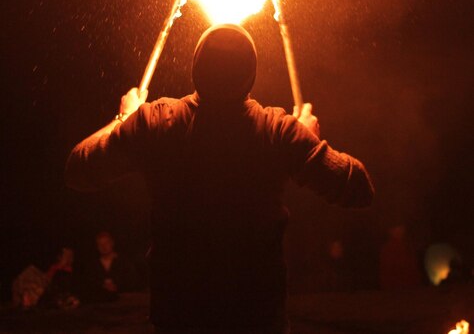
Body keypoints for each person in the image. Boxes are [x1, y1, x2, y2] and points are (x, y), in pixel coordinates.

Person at [66, 24, 374, 334]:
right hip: (256, 320)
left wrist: (123, 120)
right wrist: (308, 140)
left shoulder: (156, 122)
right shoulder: (277, 131)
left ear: (196, 67)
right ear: (250, 75)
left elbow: (78, 169)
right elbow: (359, 188)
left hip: (180, 319)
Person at [83, 231, 138, 302]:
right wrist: (102, 287)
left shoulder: (124, 262)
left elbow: (133, 282)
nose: (104, 246)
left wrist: (117, 287)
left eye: (106, 243)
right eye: (100, 244)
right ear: (97, 247)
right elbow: (87, 284)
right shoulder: (93, 265)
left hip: (123, 303)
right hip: (100, 304)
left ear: (112, 243)